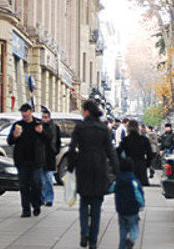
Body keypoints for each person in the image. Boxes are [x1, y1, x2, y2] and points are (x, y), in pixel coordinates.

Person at [67, 100, 120, 249]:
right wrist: (117, 171)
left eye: (83, 110)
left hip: (83, 167)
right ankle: (93, 241)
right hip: (99, 168)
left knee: (84, 203)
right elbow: (111, 151)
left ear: (87, 111)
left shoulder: (80, 127)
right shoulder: (104, 128)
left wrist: (71, 167)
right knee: (96, 207)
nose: (82, 113)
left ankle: (84, 233)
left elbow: (72, 149)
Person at [7, 103, 48, 217]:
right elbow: (10, 141)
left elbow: (48, 139)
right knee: (24, 185)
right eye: (22, 112)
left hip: (36, 160)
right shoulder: (17, 125)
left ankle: (36, 204)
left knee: (36, 183)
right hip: (22, 160)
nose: (24, 114)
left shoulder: (38, 124)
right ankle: (26, 209)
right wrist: (15, 136)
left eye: (26, 111)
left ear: (31, 112)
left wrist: (41, 132)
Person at [109, 158, 145, 249]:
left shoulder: (118, 180)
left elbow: (111, 189)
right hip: (132, 210)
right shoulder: (134, 181)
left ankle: (122, 246)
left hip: (121, 210)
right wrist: (141, 204)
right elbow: (138, 195)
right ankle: (131, 240)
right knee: (134, 228)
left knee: (122, 230)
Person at [118, 120, 153, 187]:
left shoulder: (126, 140)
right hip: (141, 166)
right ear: (138, 128)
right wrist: (147, 163)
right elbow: (150, 153)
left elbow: (118, 152)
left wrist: (122, 163)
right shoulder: (144, 139)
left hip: (129, 166)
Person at [40, 106, 61, 207]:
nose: (44, 119)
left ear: (49, 117)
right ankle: (42, 198)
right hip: (40, 156)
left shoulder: (54, 127)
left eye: (46, 117)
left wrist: (55, 151)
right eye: (43, 117)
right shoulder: (39, 127)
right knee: (41, 180)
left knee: (48, 179)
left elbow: (57, 141)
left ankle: (49, 199)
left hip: (49, 156)